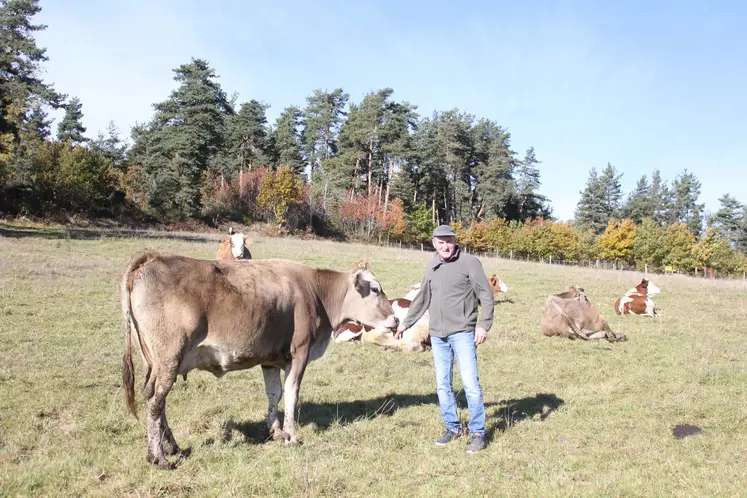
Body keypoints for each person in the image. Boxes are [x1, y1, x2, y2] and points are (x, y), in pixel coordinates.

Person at [396, 224, 494, 454]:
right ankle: (453, 428)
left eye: (448, 241)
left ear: (454, 241)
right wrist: (406, 323)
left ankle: (478, 433)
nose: (445, 245)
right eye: (440, 242)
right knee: (443, 385)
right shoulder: (432, 266)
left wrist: (483, 325)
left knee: (470, 385)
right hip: (437, 335)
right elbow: (422, 298)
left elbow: (486, 296)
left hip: (463, 333)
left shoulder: (469, 262)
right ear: (434, 244)